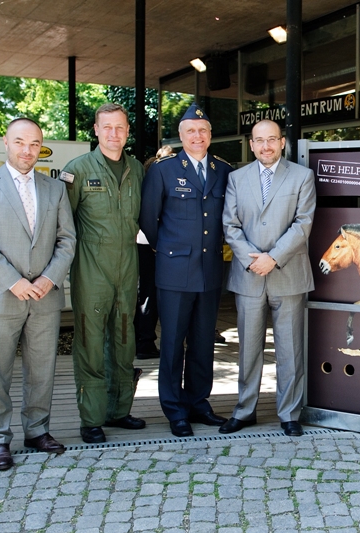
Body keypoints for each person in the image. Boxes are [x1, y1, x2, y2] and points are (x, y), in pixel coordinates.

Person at [0, 118, 76, 470]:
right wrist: (14, 281)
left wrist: (50, 278)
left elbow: (67, 239)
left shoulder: (54, 188)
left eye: (35, 144)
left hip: (45, 295)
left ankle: (37, 430)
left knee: (42, 369)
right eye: (20, 142)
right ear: (6, 142)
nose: (28, 150)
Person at [140, 103, 232, 437]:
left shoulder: (224, 170)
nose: (197, 136)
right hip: (175, 270)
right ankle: (174, 409)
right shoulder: (163, 170)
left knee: (203, 341)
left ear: (210, 136)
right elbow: (149, 221)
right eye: (191, 131)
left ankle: (198, 402)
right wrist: (167, 251)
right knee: (173, 341)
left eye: (203, 130)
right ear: (180, 136)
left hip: (209, 270)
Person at [219, 119, 316, 437]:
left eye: (272, 140)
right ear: (250, 144)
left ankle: (289, 413)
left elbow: (303, 224)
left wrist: (273, 258)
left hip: (287, 272)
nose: (266, 146)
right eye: (259, 140)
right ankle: (244, 410)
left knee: (290, 348)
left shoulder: (302, 176)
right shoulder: (236, 178)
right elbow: (230, 226)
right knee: (248, 347)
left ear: (283, 142)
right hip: (249, 274)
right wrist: (254, 259)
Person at [62, 103, 146, 444]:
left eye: (120, 128)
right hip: (90, 271)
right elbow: (61, 224)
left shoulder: (138, 169)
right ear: (95, 130)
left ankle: (119, 410)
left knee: (125, 342)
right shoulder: (76, 170)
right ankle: (92, 418)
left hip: (128, 270)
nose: (114, 134)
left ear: (127, 132)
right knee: (91, 344)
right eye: (107, 127)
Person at [134, 146, 172, 360]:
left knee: (144, 293)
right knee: (149, 296)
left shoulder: (145, 180)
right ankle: (145, 342)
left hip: (143, 243)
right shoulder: (158, 182)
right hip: (151, 244)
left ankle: (142, 341)